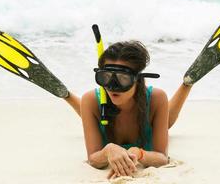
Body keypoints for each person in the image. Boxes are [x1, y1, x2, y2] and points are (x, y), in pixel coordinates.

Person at [64, 41, 191, 179]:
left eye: (123, 78)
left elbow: (162, 158)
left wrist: (138, 153)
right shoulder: (90, 100)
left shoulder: (157, 98)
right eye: (106, 77)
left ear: (138, 79)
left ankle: (187, 84)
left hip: (148, 113)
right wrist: (108, 150)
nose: (112, 86)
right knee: (91, 108)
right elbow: (93, 159)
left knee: (167, 123)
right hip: (99, 108)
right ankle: (67, 95)